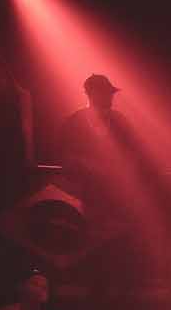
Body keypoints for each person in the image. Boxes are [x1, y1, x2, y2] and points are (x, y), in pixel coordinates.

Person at [56, 73, 141, 219]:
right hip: (84, 194)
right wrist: (88, 167)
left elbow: (134, 153)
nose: (111, 97)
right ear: (92, 94)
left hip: (117, 195)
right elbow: (64, 156)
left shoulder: (120, 121)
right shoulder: (73, 122)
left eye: (110, 93)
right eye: (107, 93)